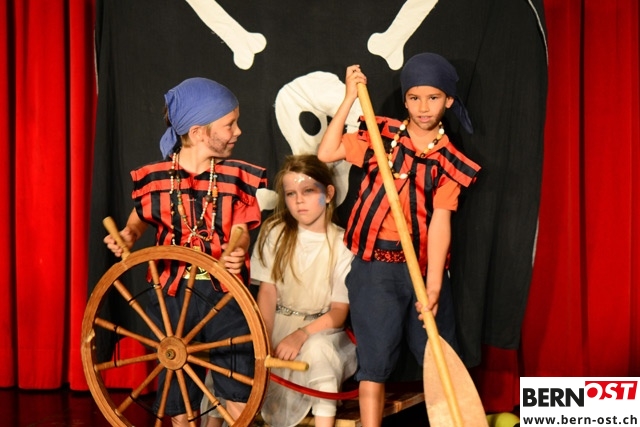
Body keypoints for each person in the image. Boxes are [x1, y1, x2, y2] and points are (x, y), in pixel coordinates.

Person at [317, 53, 481, 426]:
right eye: (414, 98)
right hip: (375, 269)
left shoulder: (449, 161)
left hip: (421, 270)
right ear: (405, 100)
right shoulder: (382, 136)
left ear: (448, 100)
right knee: (374, 364)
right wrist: (349, 98)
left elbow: (441, 223)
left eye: (433, 98)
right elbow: (326, 153)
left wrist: (434, 285)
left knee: (437, 359)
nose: (423, 107)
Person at [103, 77, 267, 427]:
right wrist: (127, 236)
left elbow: (241, 228)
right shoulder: (158, 179)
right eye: (230, 124)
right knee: (178, 387)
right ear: (198, 132)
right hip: (172, 296)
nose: (238, 131)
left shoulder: (234, 177)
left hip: (224, 295)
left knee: (238, 389)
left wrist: (237, 249)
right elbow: (137, 222)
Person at [250, 154, 357, 427]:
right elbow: (267, 293)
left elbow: (339, 312)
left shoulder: (342, 243)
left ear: (328, 194)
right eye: (291, 193)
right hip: (275, 324)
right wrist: (264, 340)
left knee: (319, 352)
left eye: (308, 191)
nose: (299, 201)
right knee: (235, 355)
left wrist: (301, 335)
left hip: (319, 329)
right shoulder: (274, 232)